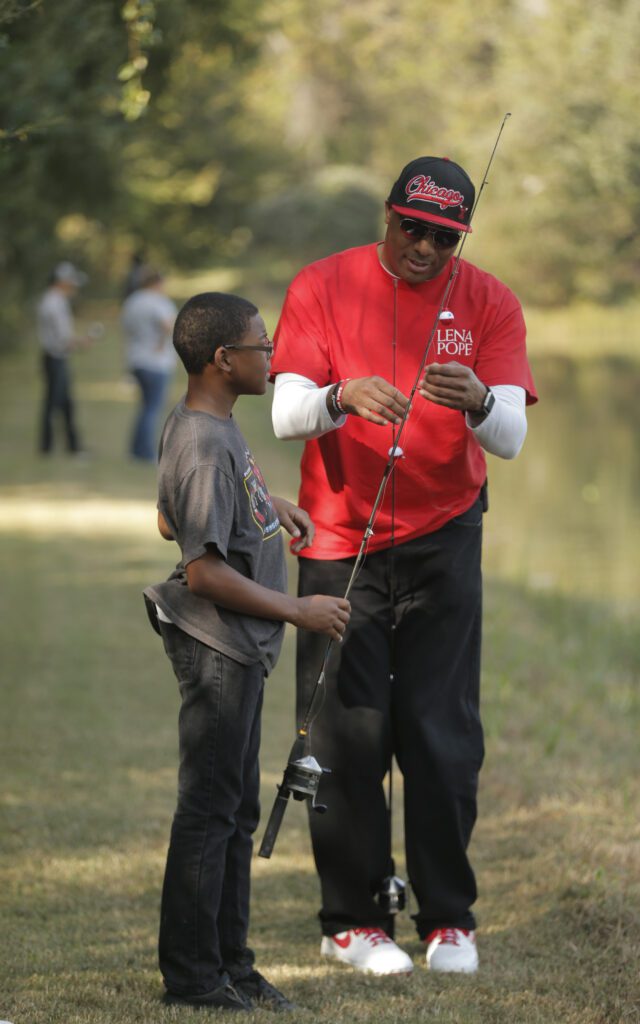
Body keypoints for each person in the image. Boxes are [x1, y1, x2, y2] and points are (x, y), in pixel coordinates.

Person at [269, 155, 537, 975]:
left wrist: (482, 402)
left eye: (443, 236)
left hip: (445, 536)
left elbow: (512, 438)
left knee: (441, 733)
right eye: (411, 228)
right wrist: (339, 396)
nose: (424, 247)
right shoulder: (320, 284)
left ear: (460, 236)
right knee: (350, 736)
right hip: (339, 542)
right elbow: (284, 415)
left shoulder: (489, 300)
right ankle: (351, 920)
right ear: (387, 216)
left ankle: (448, 918)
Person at [143, 292, 351, 1011]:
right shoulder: (203, 441)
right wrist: (297, 609)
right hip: (218, 648)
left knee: (235, 812)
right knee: (209, 811)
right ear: (222, 360)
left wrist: (270, 507)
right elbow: (201, 568)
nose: (273, 356)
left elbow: (171, 518)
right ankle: (194, 978)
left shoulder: (212, 426)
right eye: (262, 346)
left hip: (238, 649)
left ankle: (231, 961)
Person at [121, 266, 177, 461]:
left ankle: (135, 448)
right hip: (156, 361)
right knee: (152, 408)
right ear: (158, 283)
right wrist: (162, 342)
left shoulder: (132, 301)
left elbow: (126, 328)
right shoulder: (158, 302)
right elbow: (167, 326)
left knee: (145, 406)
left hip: (137, 358)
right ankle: (145, 452)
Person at [36, 260, 89, 454]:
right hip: (55, 358)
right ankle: (48, 447)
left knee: (65, 404)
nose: (74, 286)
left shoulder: (53, 299)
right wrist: (82, 342)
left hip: (56, 357)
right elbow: (63, 338)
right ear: (62, 281)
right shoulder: (54, 302)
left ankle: (71, 447)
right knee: (54, 405)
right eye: (71, 282)